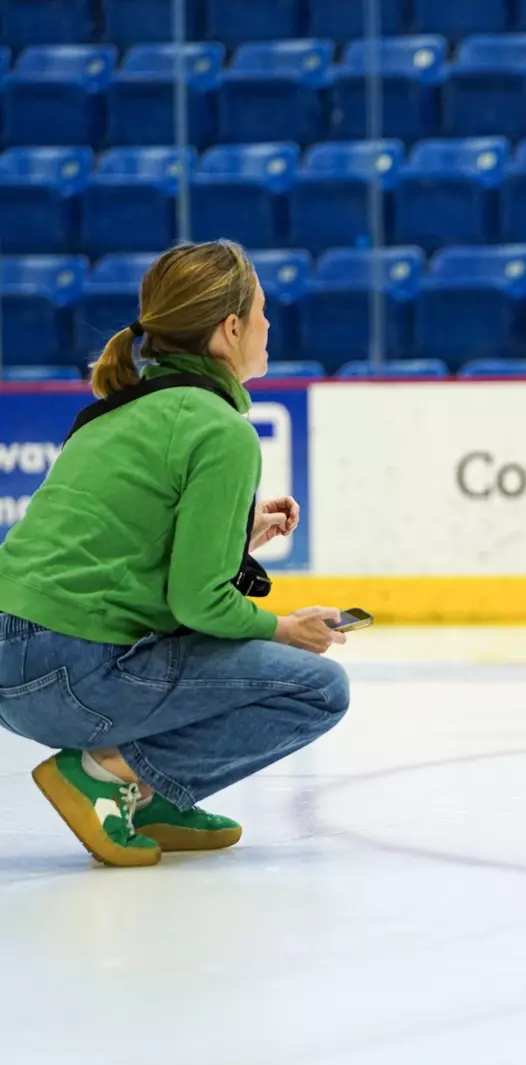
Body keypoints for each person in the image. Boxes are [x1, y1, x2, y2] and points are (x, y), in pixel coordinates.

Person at [0, 241, 351, 868]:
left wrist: (234, 540)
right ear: (231, 327)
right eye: (262, 312)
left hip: (15, 663)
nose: (270, 325)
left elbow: (121, 554)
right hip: (69, 670)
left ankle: (149, 799)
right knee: (319, 688)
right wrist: (285, 628)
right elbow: (198, 602)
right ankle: (115, 778)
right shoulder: (220, 429)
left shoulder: (114, 411)